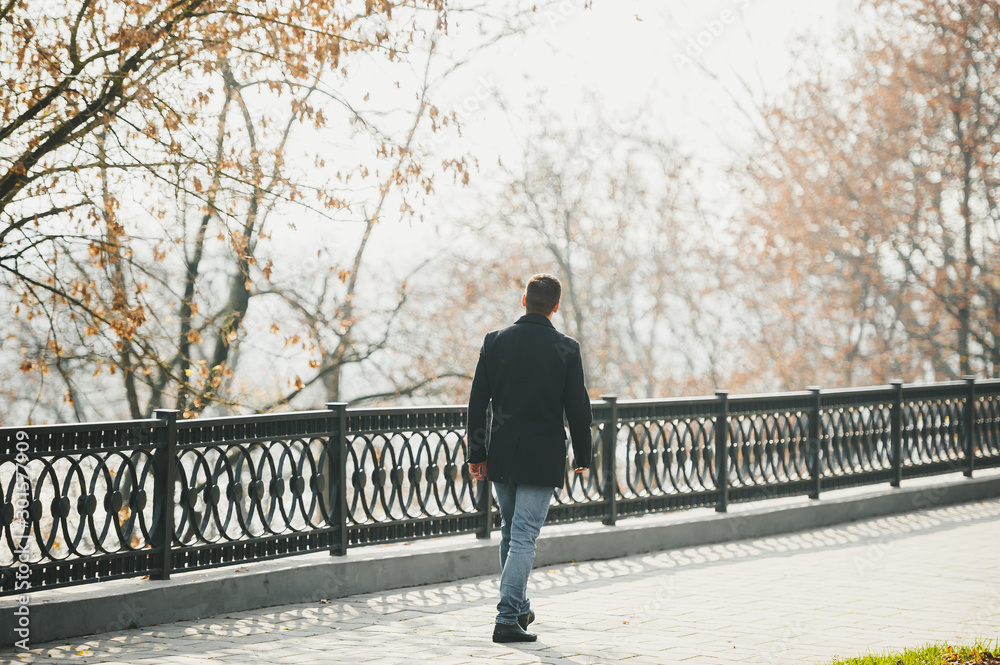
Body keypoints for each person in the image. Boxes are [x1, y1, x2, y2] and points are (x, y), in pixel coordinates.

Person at [466, 273, 593, 643]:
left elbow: (477, 402)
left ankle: (519, 608)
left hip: (502, 454)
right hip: (542, 454)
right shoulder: (567, 348)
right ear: (556, 306)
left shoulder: (495, 342)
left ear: (524, 300)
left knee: (511, 531)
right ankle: (506, 619)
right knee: (523, 535)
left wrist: (477, 452)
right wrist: (583, 453)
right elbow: (578, 408)